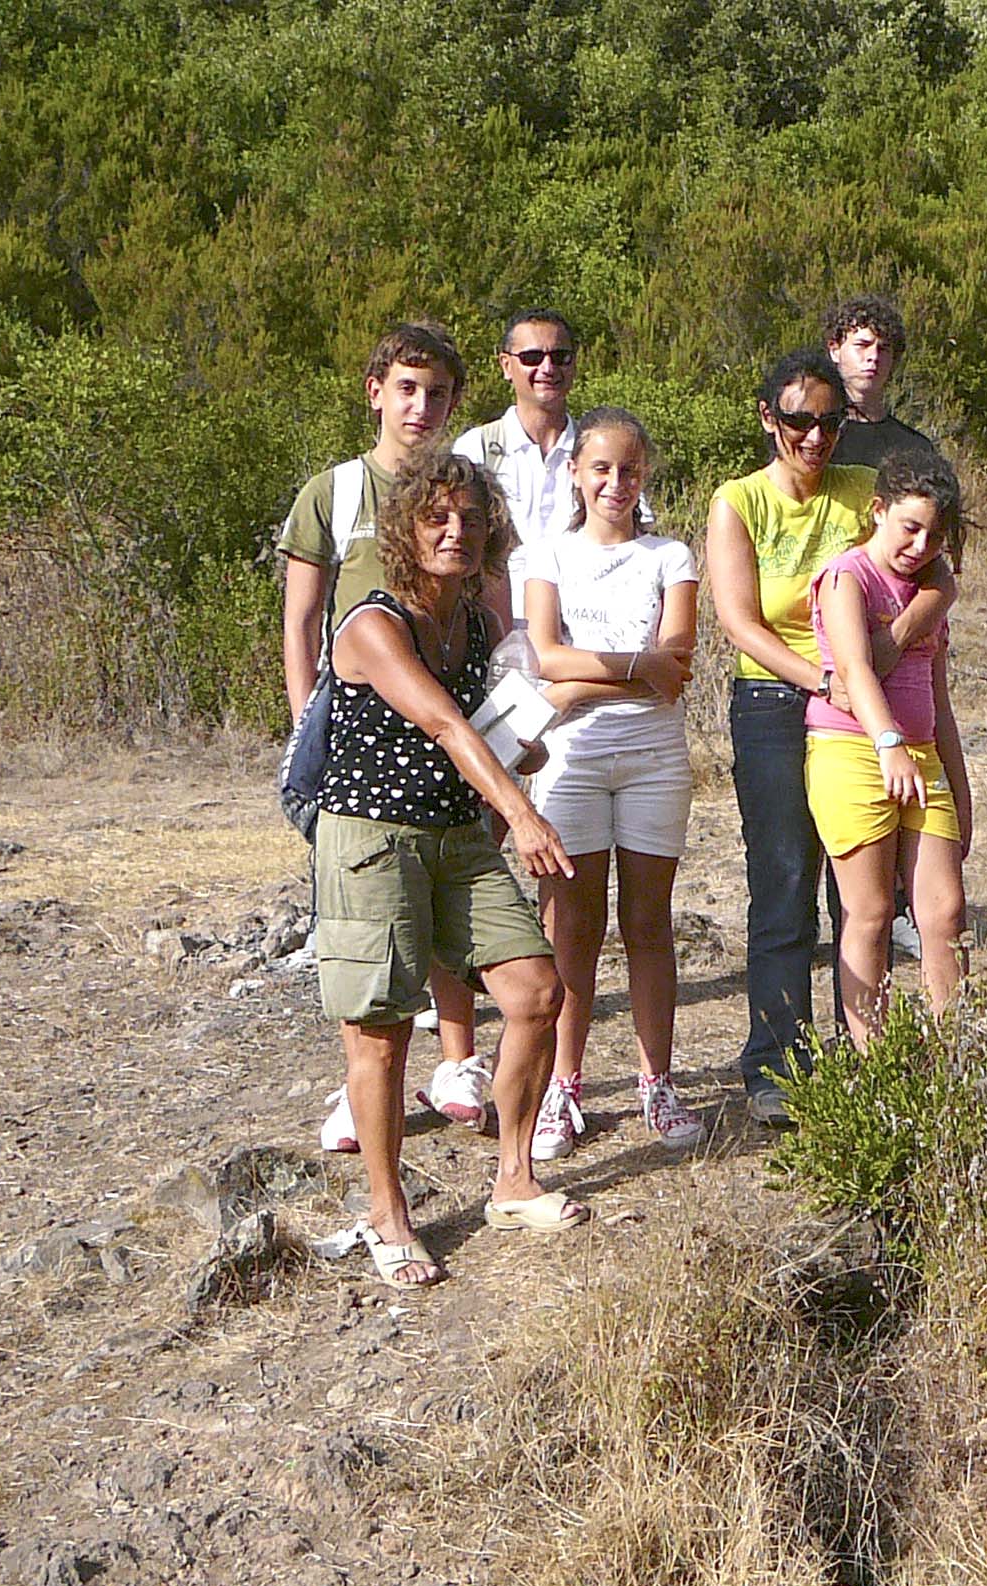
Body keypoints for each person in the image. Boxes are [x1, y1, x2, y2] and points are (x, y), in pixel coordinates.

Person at [310, 453, 587, 1286]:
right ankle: (387, 1214)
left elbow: (482, 730)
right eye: (436, 517)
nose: (455, 532)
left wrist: (522, 745)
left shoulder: (474, 623)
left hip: (455, 834)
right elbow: (442, 725)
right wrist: (522, 813)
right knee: (383, 1030)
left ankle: (514, 1180)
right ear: (405, 528)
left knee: (536, 992)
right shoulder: (372, 623)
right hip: (372, 839)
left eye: (469, 518)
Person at [706, 348, 951, 1126]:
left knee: (863, 895)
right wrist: (825, 677)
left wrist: (889, 642)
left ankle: (865, 1050)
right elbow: (739, 620)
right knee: (784, 881)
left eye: (830, 421)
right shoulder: (739, 502)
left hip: (866, 703)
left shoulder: (861, 490)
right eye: (799, 421)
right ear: (767, 418)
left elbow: (937, 574)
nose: (815, 437)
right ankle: (777, 1059)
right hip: (775, 701)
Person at [278, 319, 489, 1149]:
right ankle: (362, 1084)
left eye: (436, 393)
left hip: (450, 724)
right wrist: (308, 721)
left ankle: (459, 1061)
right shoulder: (333, 492)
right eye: (406, 388)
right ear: (376, 393)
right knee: (369, 910)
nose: (420, 406)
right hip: (361, 730)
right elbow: (302, 619)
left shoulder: (466, 494)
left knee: (453, 884)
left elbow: (489, 604)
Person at [519, 406, 708, 1160]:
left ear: (645, 473)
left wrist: (578, 683)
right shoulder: (549, 555)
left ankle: (656, 1081)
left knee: (648, 923)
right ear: (575, 472)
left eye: (629, 469)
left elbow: (677, 664)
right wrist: (632, 667)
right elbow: (544, 654)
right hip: (571, 759)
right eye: (600, 468)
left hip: (653, 757)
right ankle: (562, 1087)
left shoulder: (670, 556)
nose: (615, 483)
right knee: (572, 927)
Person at [806, 450, 972, 1046]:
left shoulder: (932, 589)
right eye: (909, 527)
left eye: (934, 536)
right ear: (878, 511)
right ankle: (873, 1060)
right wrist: (888, 742)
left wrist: (958, 783)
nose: (919, 545)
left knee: (945, 910)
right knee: (871, 911)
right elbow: (854, 669)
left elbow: (939, 695)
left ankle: (954, 1050)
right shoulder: (847, 576)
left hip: (923, 753)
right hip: (852, 748)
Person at [452, 308, 584, 635]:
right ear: (506, 366)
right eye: (532, 357)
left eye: (560, 357)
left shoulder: (599, 454)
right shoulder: (475, 450)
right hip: (493, 637)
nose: (547, 368)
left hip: (582, 644)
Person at [823, 293, 940, 470]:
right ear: (835, 350)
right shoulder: (813, 438)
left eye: (884, 348)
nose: (874, 357)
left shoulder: (914, 448)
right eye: (862, 345)